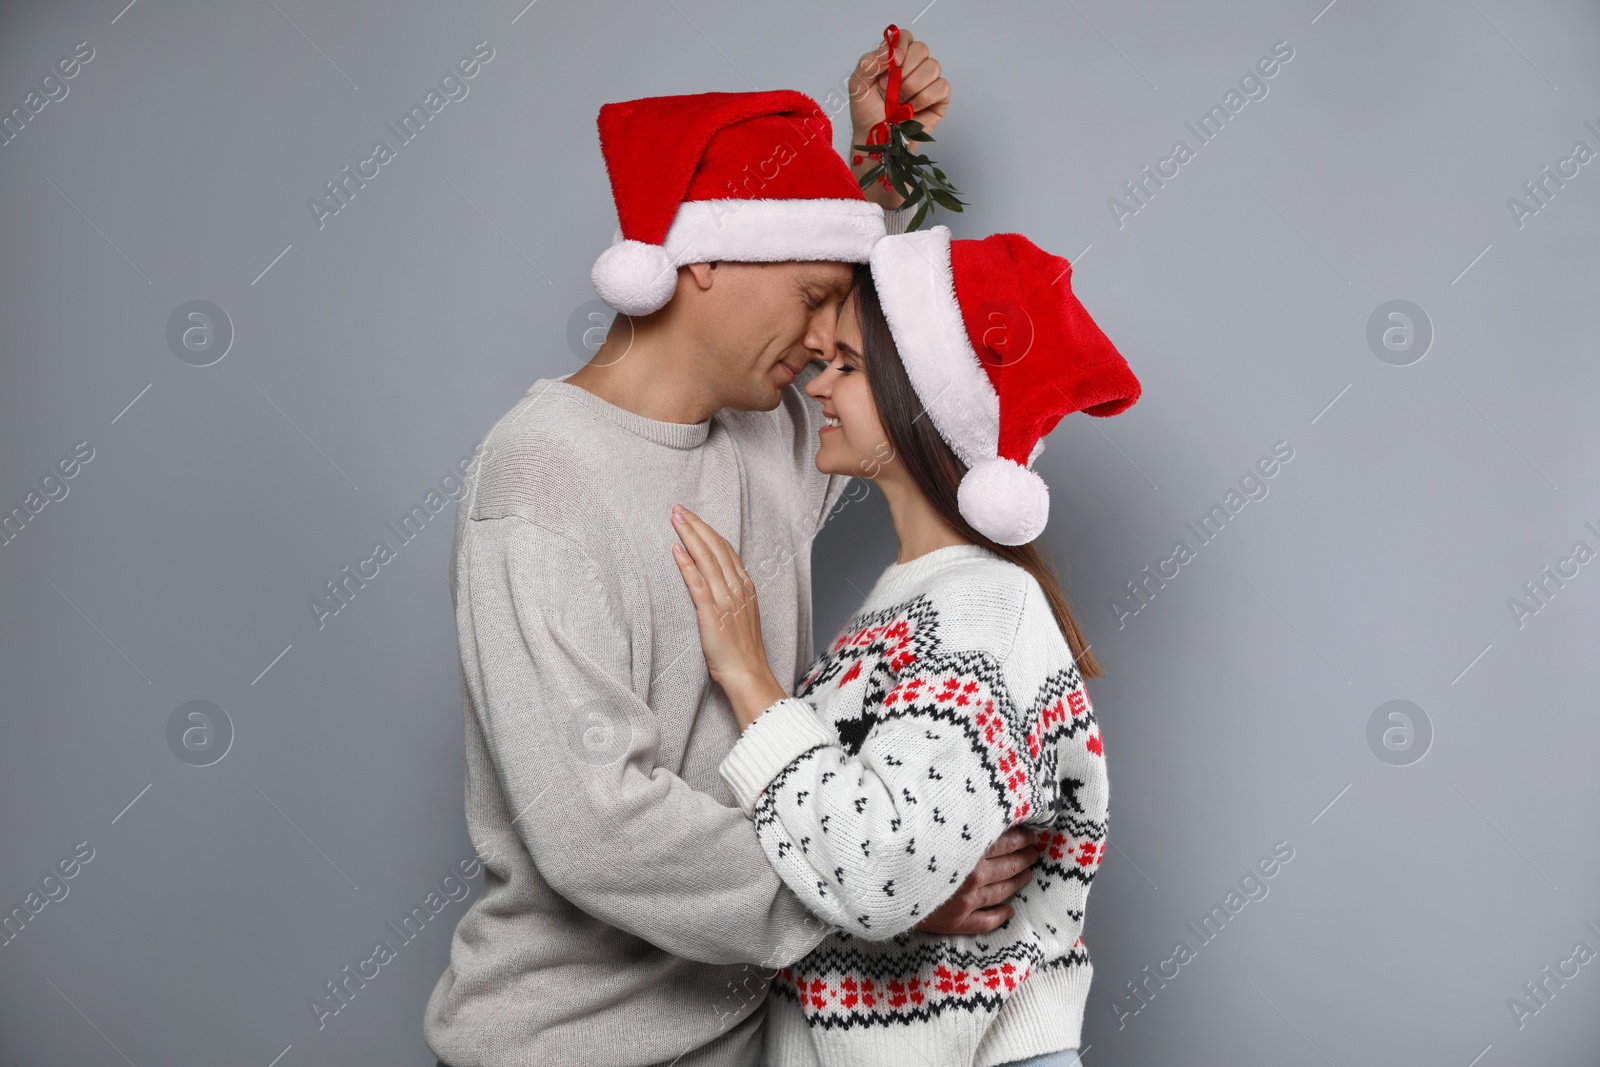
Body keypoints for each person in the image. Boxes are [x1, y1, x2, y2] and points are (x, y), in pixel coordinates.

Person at [423, 34, 1040, 1067]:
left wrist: (875, 166)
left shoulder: (767, 433)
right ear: (703, 256)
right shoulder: (538, 478)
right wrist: (878, 888)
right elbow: (595, 828)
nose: (819, 341)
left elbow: (877, 375)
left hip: (743, 1036)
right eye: (808, 300)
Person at [668, 224, 1141, 1067]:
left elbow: (880, 866)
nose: (817, 384)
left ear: (920, 397)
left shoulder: (984, 613)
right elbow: (877, 867)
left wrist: (748, 679)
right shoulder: (917, 603)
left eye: (848, 365)